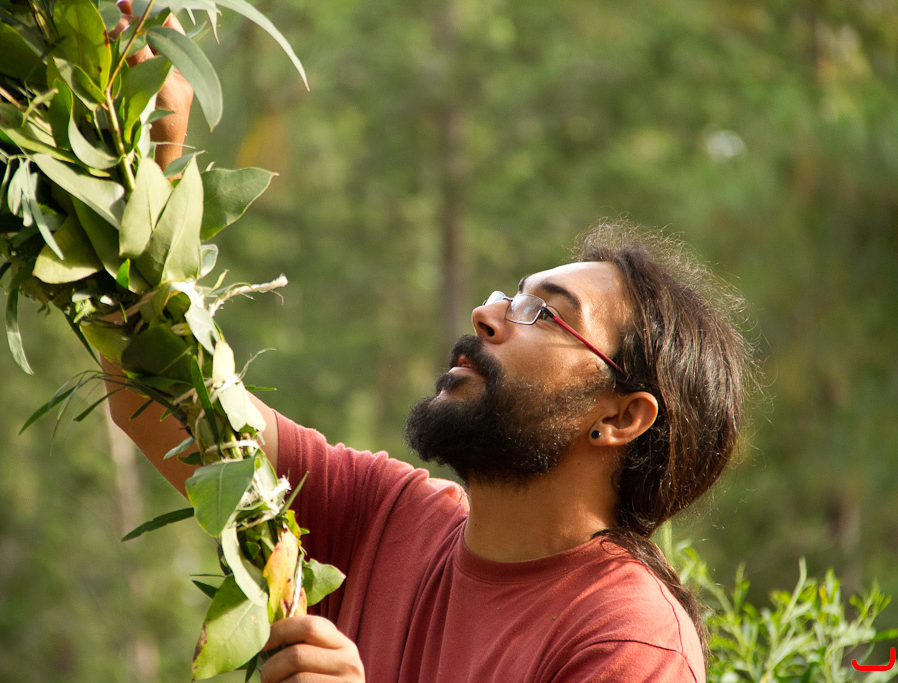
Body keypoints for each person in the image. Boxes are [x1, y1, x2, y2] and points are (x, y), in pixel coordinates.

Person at [109, 25, 756, 681]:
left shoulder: (630, 641)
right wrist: (136, 162)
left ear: (621, 416)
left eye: (545, 313)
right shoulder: (383, 520)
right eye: (510, 296)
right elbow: (160, 393)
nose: (487, 316)